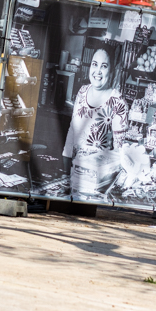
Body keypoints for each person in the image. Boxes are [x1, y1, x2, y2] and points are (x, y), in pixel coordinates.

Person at [62, 44, 128, 197]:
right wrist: (65, 174)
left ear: (111, 70)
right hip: (73, 176)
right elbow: (71, 133)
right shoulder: (82, 92)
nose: (97, 71)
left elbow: (120, 154)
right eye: (94, 64)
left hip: (97, 185)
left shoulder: (118, 102)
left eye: (104, 66)